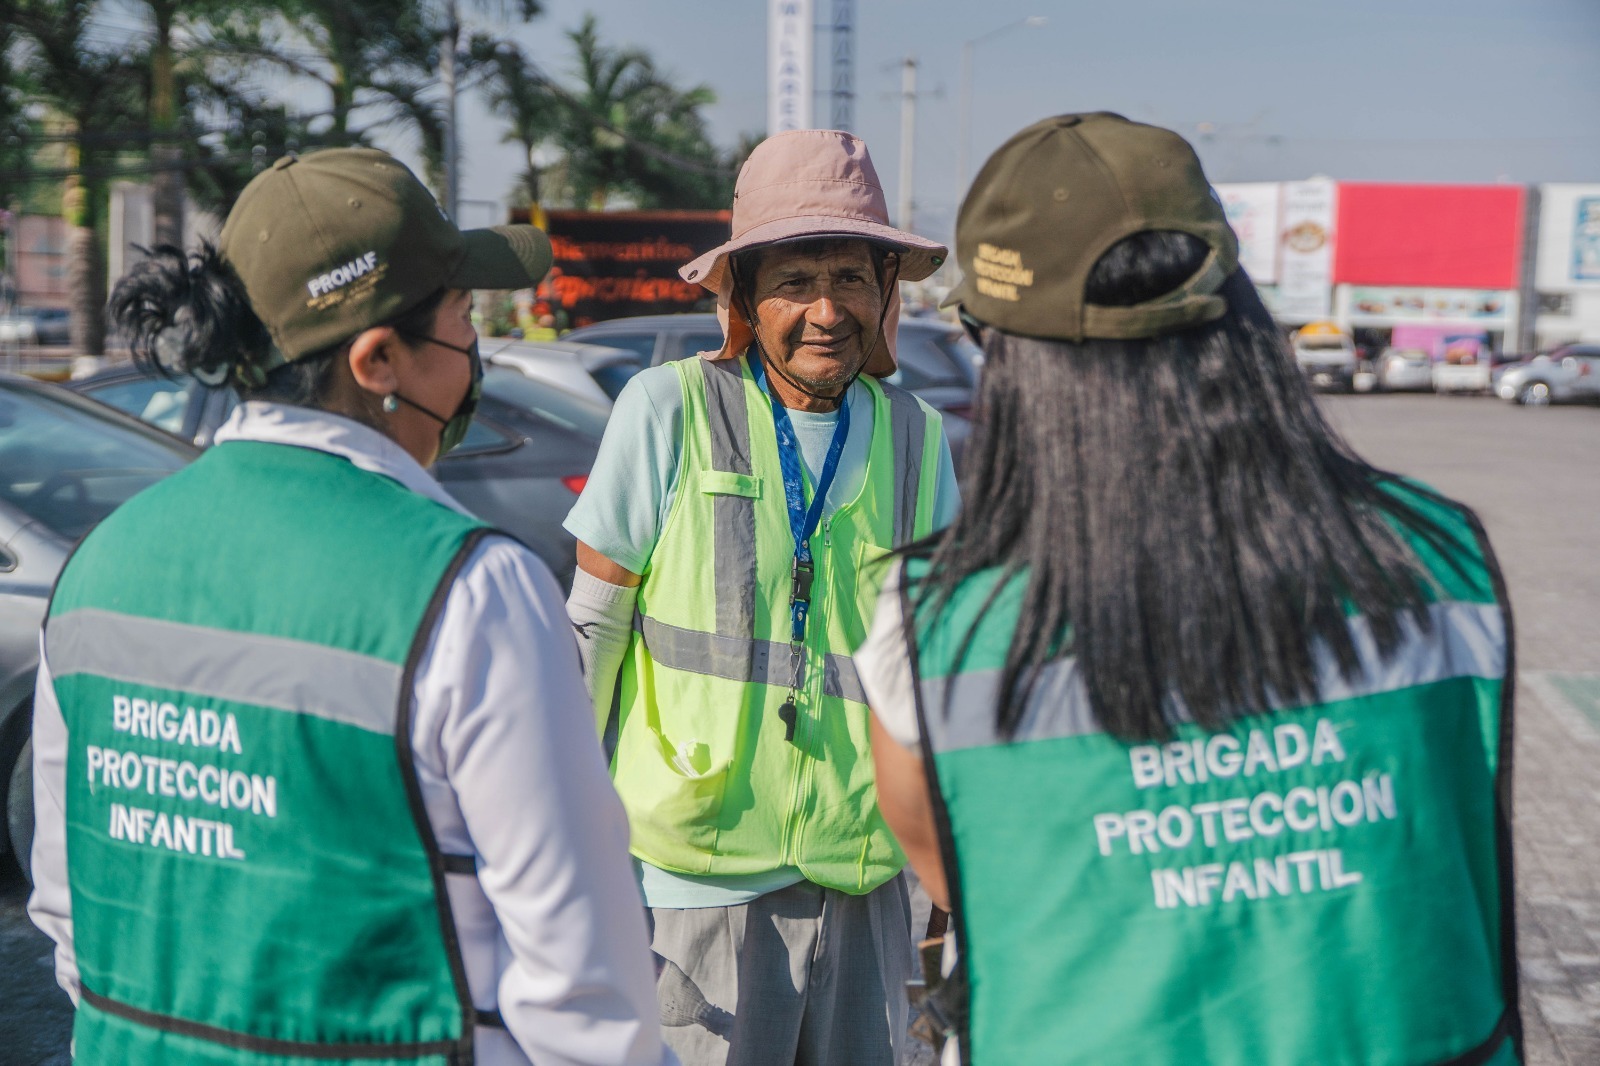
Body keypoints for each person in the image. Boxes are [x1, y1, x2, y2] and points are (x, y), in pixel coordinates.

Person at [858, 113, 1522, 1066]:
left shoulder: (934, 623)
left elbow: (958, 873)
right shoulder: (1443, 559)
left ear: (1001, 348)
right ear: (1238, 303)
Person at [29, 147, 673, 1066]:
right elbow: (587, 1007)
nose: (474, 356)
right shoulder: (469, 589)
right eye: (462, 322)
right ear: (378, 359)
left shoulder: (97, 568)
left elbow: (69, 913)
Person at [563, 129, 961, 1066]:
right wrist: (567, 854)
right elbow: (591, 635)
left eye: (853, 279)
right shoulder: (667, 410)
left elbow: (934, 663)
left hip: (864, 878)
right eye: (794, 282)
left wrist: (951, 872)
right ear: (742, 297)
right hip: (693, 883)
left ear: (886, 293)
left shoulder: (918, 437)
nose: (827, 311)